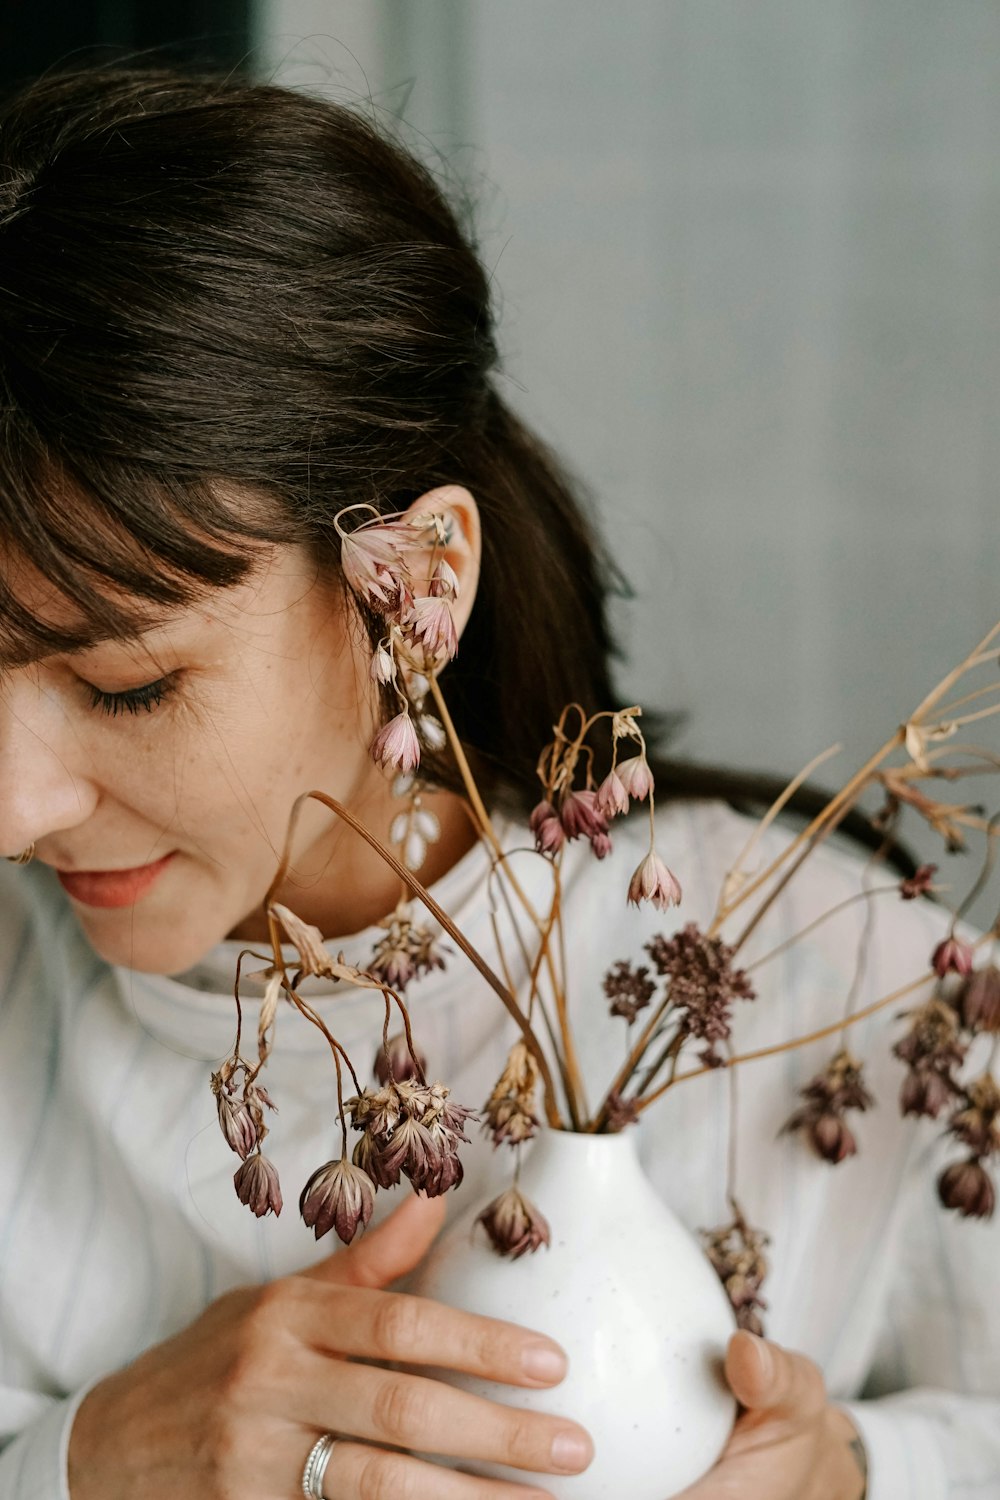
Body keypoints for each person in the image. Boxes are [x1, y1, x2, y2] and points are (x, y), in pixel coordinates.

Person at [0, 63, 996, 1500]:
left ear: (417, 585)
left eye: (125, 685)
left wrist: (857, 1473)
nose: (16, 810)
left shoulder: (834, 977)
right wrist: (82, 1458)